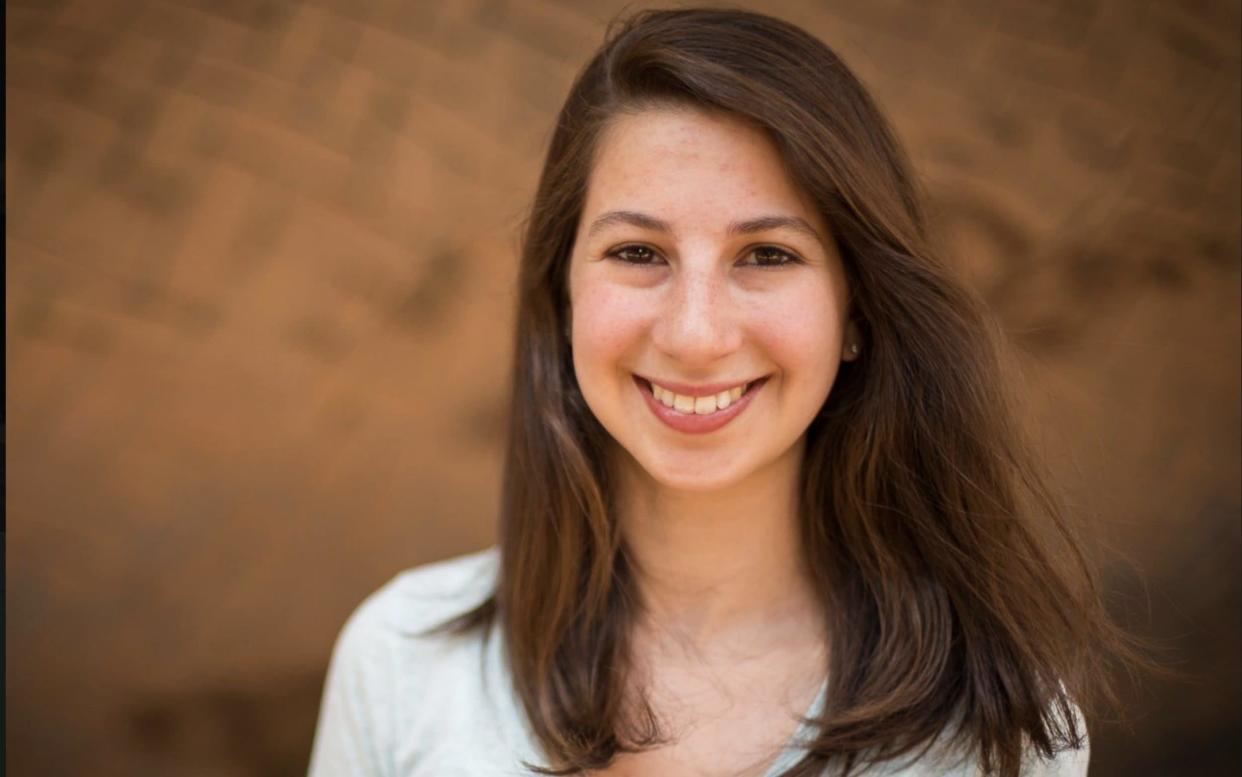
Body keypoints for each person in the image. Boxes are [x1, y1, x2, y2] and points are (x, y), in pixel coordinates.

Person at [309, 8, 1142, 776]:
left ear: (857, 308)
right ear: (563, 297)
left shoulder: (1003, 725)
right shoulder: (400, 658)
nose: (696, 334)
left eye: (767, 255)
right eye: (637, 252)